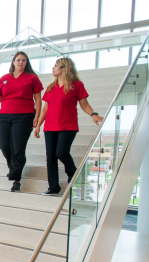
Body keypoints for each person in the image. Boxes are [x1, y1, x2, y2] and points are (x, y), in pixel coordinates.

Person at [34, 57, 104, 196]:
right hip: (50, 126)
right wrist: (38, 125)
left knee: (61, 152)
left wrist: (93, 114)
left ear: (64, 68)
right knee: (51, 157)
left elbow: (84, 104)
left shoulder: (77, 85)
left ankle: (73, 173)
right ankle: (53, 187)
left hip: (68, 125)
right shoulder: (51, 87)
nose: (53, 68)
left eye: (56, 66)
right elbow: (45, 108)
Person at [0, 51, 43, 192]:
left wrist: (37, 115)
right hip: (4, 117)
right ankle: (14, 169)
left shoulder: (32, 78)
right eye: (18, 60)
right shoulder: (4, 78)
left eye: (24, 60)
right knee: (5, 147)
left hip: (24, 117)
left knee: (18, 148)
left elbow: (38, 98)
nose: (21, 62)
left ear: (26, 63)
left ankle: (16, 179)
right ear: (13, 62)